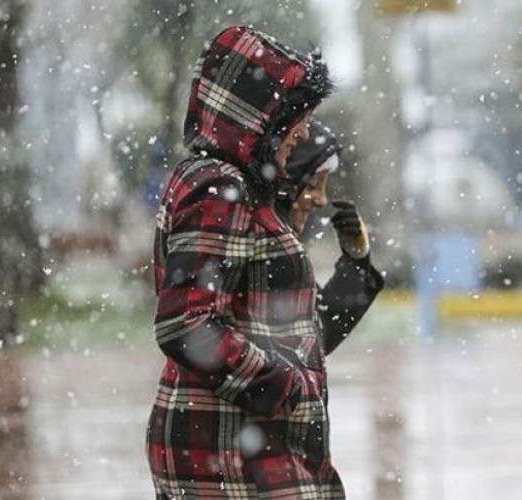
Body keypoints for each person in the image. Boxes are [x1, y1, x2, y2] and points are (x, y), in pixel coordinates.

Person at [146, 26, 342, 498]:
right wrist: (284, 389)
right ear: (258, 117)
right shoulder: (219, 187)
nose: (302, 130)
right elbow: (186, 323)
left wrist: (357, 276)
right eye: (294, 116)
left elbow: (282, 319)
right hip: (232, 446)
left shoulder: (232, 185)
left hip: (247, 441)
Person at [279, 119, 384, 355]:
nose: (322, 200)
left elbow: (319, 333)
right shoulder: (259, 246)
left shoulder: (284, 251)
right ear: (287, 183)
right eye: (314, 185)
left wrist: (357, 259)